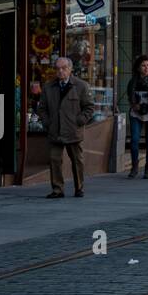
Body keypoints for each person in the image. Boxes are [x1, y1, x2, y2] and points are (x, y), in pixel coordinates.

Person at [41, 56, 94, 198]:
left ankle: (79, 188)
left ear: (70, 69)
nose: (60, 71)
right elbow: (42, 108)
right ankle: (57, 189)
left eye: (64, 68)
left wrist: (79, 121)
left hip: (73, 130)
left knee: (77, 160)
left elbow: (89, 108)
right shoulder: (48, 87)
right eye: (57, 68)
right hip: (55, 130)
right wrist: (47, 123)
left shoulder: (81, 86)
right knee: (54, 160)